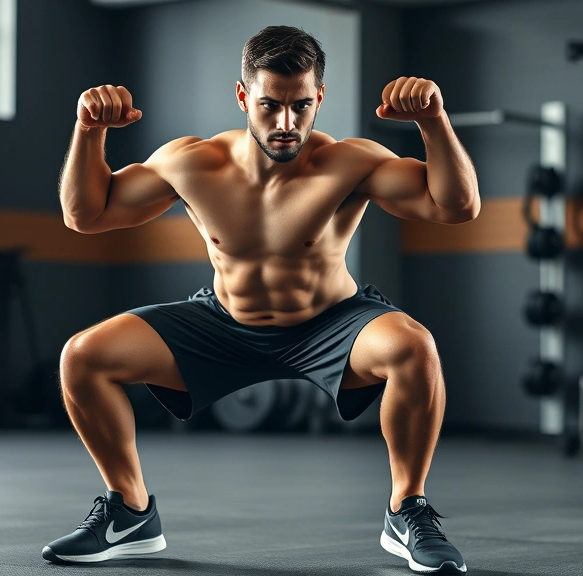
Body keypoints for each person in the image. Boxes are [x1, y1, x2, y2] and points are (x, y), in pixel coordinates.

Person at [44, 25, 479, 575]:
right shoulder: (193, 162)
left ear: (319, 97)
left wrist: (432, 122)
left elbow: (456, 207)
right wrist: (88, 131)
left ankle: (406, 508)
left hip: (332, 322)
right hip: (222, 321)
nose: (286, 124)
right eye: (271, 105)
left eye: (301, 106)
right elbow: (87, 215)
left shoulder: (352, 162)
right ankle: (129, 512)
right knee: (83, 356)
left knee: (414, 346)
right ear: (244, 96)